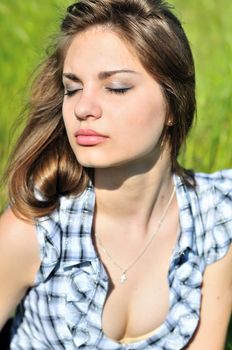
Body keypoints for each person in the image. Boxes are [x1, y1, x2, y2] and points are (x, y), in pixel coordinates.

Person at [0, 0, 231, 349]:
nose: (82, 108)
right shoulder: (35, 229)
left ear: (172, 104)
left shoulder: (214, 217)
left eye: (117, 88)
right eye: (72, 88)